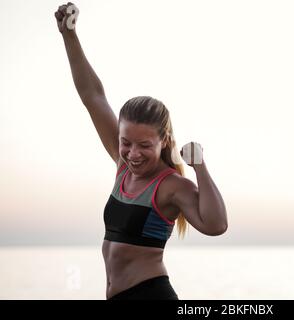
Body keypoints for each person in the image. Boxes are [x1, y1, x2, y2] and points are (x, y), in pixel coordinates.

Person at [54, 2, 228, 300]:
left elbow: (215, 225)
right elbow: (92, 96)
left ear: (164, 140)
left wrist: (200, 167)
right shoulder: (123, 166)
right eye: (126, 142)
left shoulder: (171, 185)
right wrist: (69, 36)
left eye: (145, 145)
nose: (133, 153)